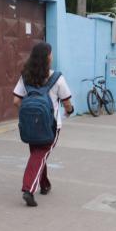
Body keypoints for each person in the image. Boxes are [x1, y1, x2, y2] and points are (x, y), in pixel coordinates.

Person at [12, 42, 74, 207]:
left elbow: (16, 100)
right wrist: (69, 111)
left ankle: (44, 184)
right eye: (51, 54)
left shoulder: (25, 77)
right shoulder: (57, 78)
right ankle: (28, 189)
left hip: (30, 126)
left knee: (37, 155)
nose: (52, 56)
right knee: (39, 155)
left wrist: (28, 114)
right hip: (51, 127)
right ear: (47, 58)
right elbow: (67, 104)